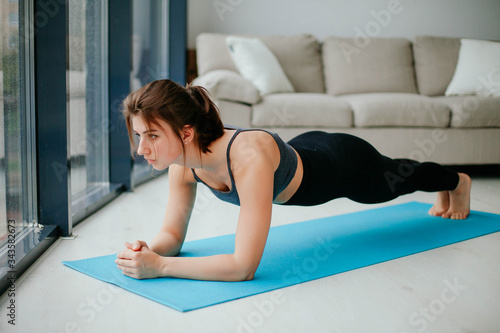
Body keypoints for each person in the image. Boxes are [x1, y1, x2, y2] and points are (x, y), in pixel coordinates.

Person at [115, 79, 471, 281]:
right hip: (305, 148)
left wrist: (161, 267)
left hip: (341, 164)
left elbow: (243, 266)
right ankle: (447, 184)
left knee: (395, 181)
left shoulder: (247, 156)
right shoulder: (182, 163)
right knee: (397, 178)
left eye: (153, 136)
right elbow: (174, 236)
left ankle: (456, 181)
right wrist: (147, 251)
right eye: (138, 136)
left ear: (187, 132)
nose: (142, 149)